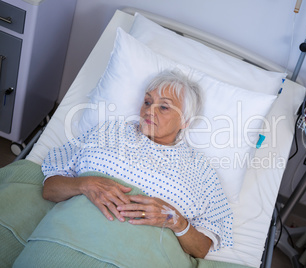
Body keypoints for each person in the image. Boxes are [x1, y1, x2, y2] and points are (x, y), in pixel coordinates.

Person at [41, 70, 233, 259]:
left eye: (164, 107)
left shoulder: (200, 169)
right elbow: (49, 189)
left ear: (185, 121)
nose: (149, 111)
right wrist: (83, 184)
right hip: (64, 242)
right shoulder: (109, 131)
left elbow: (201, 249)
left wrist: (174, 220)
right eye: (147, 102)